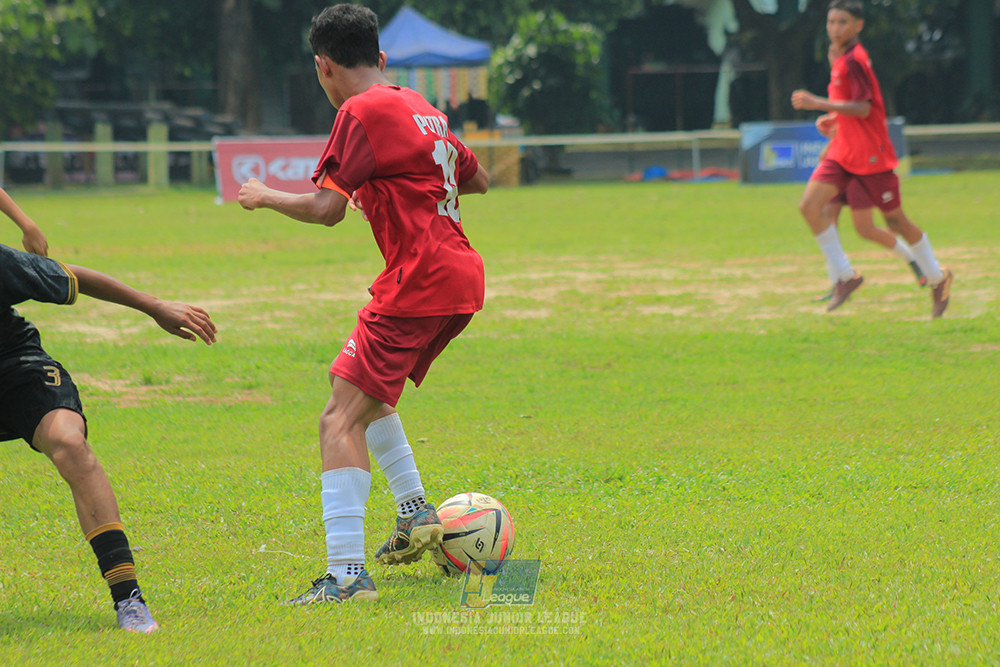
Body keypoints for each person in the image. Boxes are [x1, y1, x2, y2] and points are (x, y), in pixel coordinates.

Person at [237, 3, 490, 605]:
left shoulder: (359, 109)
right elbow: (475, 180)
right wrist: (395, 186)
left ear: (323, 65)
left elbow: (326, 209)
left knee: (338, 417)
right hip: (459, 277)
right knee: (358, 387)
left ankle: (347, 577)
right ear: (381, 56)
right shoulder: (422, 106)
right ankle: (413, 511)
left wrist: (265, 194)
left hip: (419, 279)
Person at [2, 190, 218, 633]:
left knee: (68, 442)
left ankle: (128, 598)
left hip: (14, 366)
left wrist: (155, 306)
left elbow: (72, 277)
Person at [792, 0, 953, 317]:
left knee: (895, 221)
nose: (835, 28)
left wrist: (817, 103)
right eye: (831, 22)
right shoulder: (840, 58)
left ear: (858, 26)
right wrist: (835, 121)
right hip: (843, 152)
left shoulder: (855, 60)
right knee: (810, 207)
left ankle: (937, 277)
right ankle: (846, 276)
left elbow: (864, 107)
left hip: (870, 156)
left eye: (842, 22)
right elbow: (850, 105)